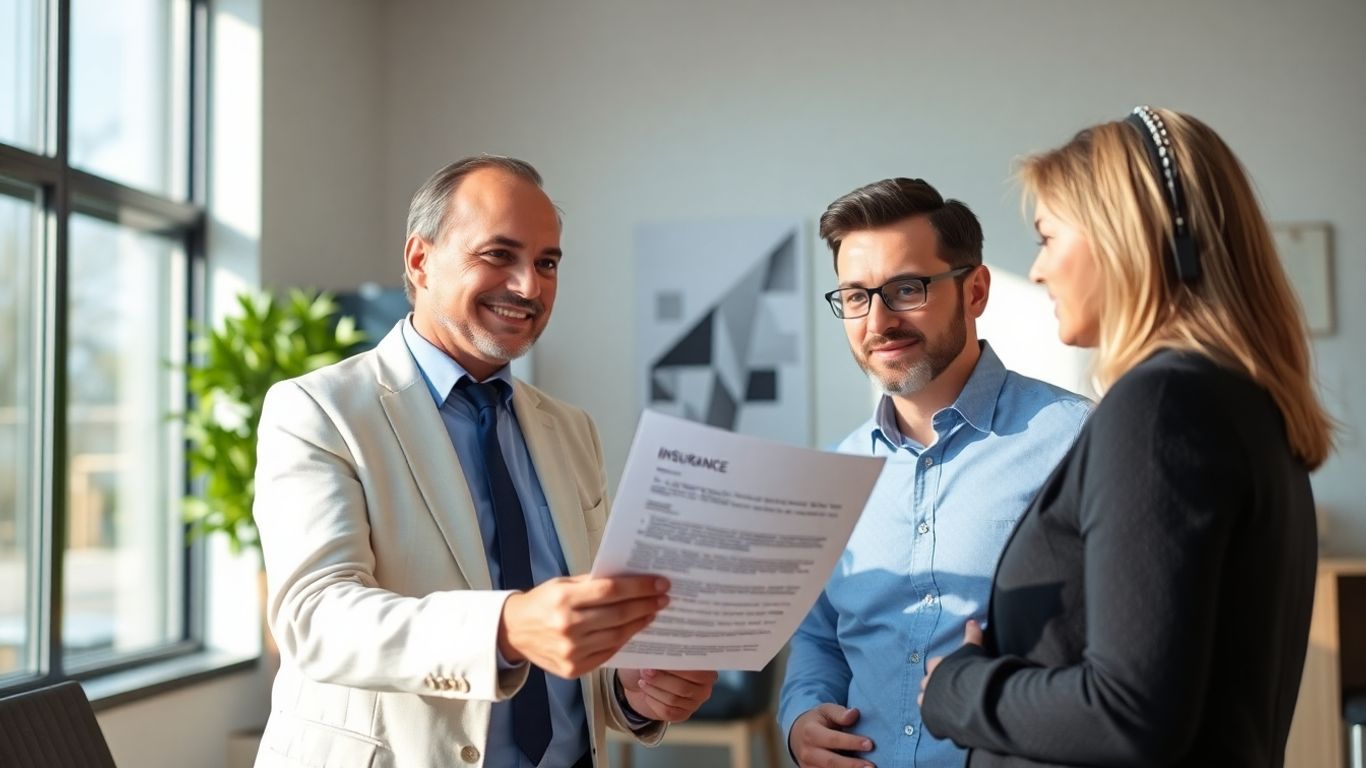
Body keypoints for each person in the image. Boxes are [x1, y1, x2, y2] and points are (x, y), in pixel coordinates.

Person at [251, 155, 716, 768]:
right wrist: (506, 626)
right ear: (420, 260)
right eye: (499, 254)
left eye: (547, 262)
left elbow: (577, 641)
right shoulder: (317, 410)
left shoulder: (571, 429)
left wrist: (631, 690)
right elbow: (315, 618)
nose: (529, 286)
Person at [919, 107, 1335, 767]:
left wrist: (957, 689)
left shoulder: (1162, 405)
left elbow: (1128, 712)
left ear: (1125, 237)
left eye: (1047, 237)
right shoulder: (1237, 402)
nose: (1042, 270)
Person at [779, 177, 1093, 768]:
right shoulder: (833, 471)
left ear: (975, 291)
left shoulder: (1078, 441)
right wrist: (801, 717)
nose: (878, 321)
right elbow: (820, 637)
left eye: (906, 288)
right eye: (855, 296)